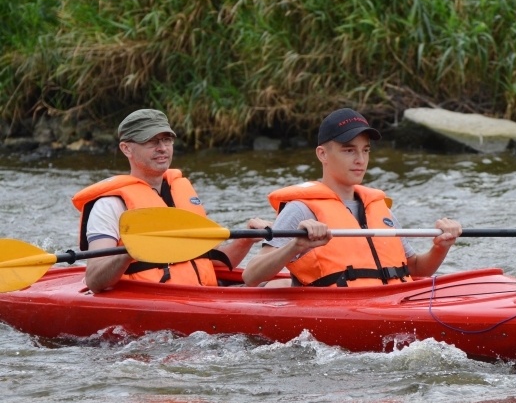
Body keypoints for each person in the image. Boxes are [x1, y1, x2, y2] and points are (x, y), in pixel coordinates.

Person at [243, 108, 462, 287]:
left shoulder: (379, 209)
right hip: (337, 309)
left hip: (392, 302)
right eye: (349, 150)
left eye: (365, 150)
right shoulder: (300, 210)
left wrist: (440, 247)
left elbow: (415, 269)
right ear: (322, 154)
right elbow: (251, 275)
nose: (360, 160)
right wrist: (295, 246)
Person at [72, 109, 268, 293]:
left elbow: (215, 262)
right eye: (151, 142)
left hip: (204, 295)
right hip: (152, 300)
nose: (162, 148)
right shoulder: (110, 205)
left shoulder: (181, 192)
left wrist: (246, 240)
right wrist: (130, 252)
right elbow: (94, 280)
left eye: (166, 140)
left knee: (271, 285)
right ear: (126, 149)